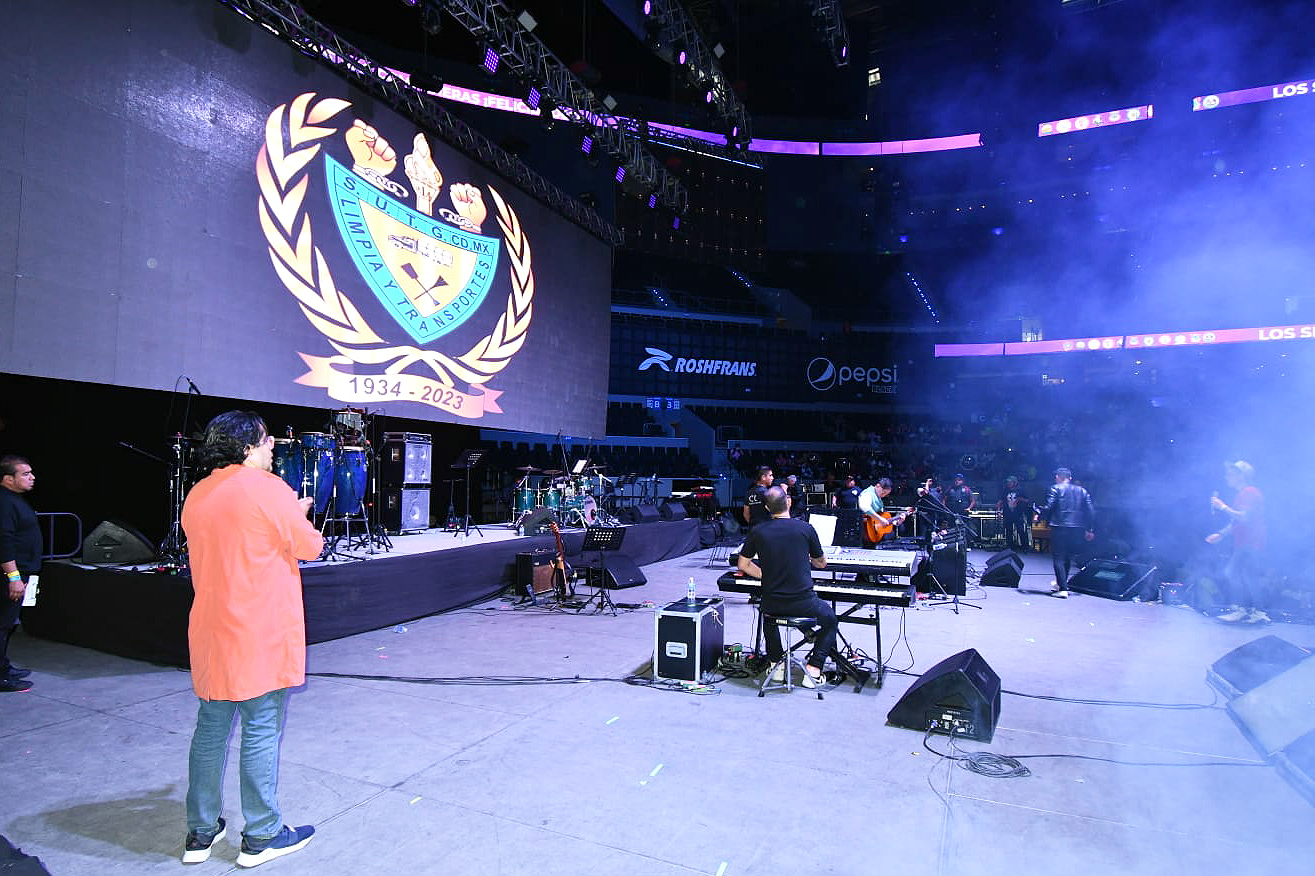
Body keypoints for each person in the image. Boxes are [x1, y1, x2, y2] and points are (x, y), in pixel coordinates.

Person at [181, 411, 324, 866]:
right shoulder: (269, 490)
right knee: (260, 729)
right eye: (266, 441)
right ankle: (262, 833)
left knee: (210, 730)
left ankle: (200, 831)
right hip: (260, 633)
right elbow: (310, 547)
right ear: (246, 448)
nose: (272, 446)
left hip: (212, 632)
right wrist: (296, 515)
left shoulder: (197, 494)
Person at [736, 486, 836, 688]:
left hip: (773, 602)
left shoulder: (758, 531)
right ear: (788, 502)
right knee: (830, 620)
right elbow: (821, 563)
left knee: (768, 616)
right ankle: (814, 669)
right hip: (803, 603)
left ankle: (776, 665)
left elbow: (743, 565)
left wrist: (765, 575)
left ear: (767, 507)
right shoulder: (805, 528)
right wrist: (809, 557)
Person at [1206, 460, 1267, 623]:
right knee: (1247, 575)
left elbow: (1244, 517)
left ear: (1241, 476)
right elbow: (1236, 521)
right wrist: (1221, 534)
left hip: (1251, 542)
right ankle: (1255, 611)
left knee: (1232, 572)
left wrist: (1222, 507)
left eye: (1230, 474)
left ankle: (1244, 610)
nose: (1226, 477)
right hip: (1247, 542)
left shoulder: (1250, 492)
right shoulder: (1243, 494)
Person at [0, 455, 39, 693]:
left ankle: (4, 667)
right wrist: (13, 577)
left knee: (8, 624)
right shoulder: (4, 503)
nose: (32, 477)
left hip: (22, 571)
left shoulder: (14, 499)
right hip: (12, 574)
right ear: (8, 479)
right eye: (25, 474)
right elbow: (4, 541)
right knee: (3, 624)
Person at [1034, 467, 1095, 598]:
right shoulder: (1082, 491)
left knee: (1058, 557)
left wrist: (1039, 515)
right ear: (1070, 478)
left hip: (1060, 526)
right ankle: (1062, 584)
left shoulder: (1055, 488)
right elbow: (1090, 510)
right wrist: (1089, 529)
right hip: (1077, 528)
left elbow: (1049, 507)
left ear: (1057, 477)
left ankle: (1062, 589)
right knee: (1067, 557)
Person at [858, 477, 908, 546]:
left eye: (886, 494)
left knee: (899, 530)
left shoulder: (878, 498)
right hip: (865, 531)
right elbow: (864, 507)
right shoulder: (868, 493)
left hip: (876, 533)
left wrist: (897, 522)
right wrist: (880, 519)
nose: (883, 495)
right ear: (878, 486)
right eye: (883, 492)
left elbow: (884, 520)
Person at [996, 476, 1032, 552]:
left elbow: (1027, 500)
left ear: (1015, 483)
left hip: (1018, 513)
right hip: (1007, 513)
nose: (1008, 483)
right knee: (1008, 530)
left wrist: (1019, 499)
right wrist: (999, 511)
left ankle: (1025, 546)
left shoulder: (1020, 490)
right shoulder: (1006, 490)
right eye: (1008, 482)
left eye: (1010, 482)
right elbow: (1001, 501)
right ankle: (1010, 547)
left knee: (1021, 530)